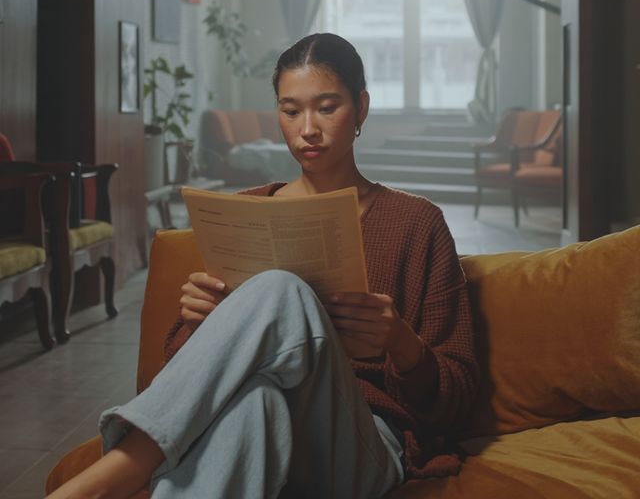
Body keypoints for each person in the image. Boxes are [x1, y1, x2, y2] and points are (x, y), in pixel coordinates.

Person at [48, 32, 478, 499]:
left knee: (281, 289)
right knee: (255, 400)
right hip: (266, 427)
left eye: (327, 108)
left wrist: (401, 343)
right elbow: (183, 380)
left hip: (362, 446)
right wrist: (199, 321)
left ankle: (123, 467)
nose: (307, 129)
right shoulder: (248, 210)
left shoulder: (416, 222)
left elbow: (458, 399)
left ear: (361, 108)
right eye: (290, 111)